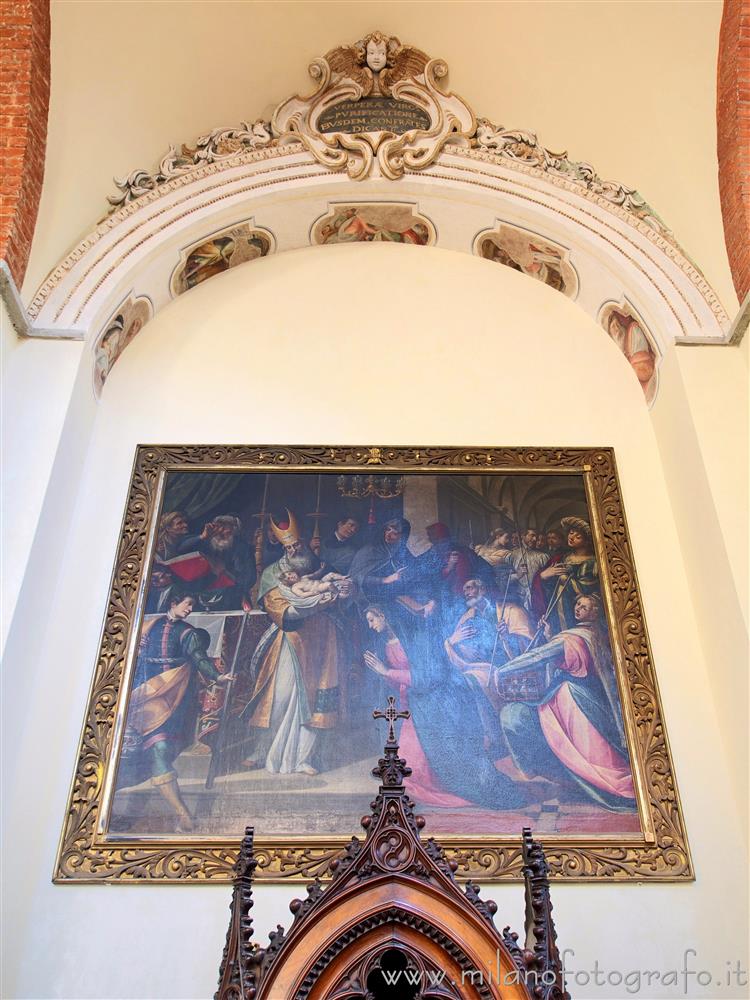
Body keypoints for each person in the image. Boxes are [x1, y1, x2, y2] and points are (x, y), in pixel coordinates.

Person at [363, 605, 530, 811]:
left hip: (438, 704)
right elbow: (397, 682)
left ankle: (473, 788)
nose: (371, 625)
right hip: (415, 707)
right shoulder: (385, 644)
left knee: (456, 760)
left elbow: (428, 676)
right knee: (409, 769)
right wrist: (385, 675)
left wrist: (387, 671)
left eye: (372, 619)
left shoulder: (417, 638)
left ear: (384, 615)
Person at [493, 594, 635, 811]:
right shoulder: (594, 636)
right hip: (585, 699)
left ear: (596, 612)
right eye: (577, 604)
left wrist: (502, 671)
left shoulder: (572, 638)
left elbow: (538, 657)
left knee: (580, 755)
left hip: (571, 702)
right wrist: (548, 636)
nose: (578, 608)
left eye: (584, 606)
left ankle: (589, 783)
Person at [240, 510, 349, 775]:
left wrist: (346, 591)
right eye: (288, 546)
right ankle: (265, 748)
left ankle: (303, 758)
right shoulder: (271, 574)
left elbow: (344, 595)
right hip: (292, 641)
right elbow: (283, 613)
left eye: (297, 545)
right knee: (280, 696)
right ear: (281, 547)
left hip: (324, 642)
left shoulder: (323, 568)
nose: (293, 550)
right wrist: (319, 603)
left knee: (316, 700)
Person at [117, 592, 234, 831]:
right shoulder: (149, 627)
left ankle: (183, 815)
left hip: (170, 697)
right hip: (142, 694)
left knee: (159, 748)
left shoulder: (187, 633)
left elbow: (200, 659)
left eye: (192, 604)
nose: (190, 608)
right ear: (173, 603)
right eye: (187, 602)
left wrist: (218, 676)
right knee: (135, 754)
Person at [170, 513, 256, 611]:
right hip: (200, 597)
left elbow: (249, 579)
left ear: (233, 530)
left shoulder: (242, 548)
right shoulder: (205, 543)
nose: (220, 531)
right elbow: (181, 549)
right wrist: (202, 537)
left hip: (231, 598)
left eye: (225, 528)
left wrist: (225, 573)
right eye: (218, 527)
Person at [537, 516, 598, 635]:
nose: (572, 537)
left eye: (578, 537)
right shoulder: (564, 557)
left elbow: (587, 589)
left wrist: (566, 580)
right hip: (556, 603)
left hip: (574, 606)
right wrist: (546, 577)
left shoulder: (591, 562)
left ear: (586, 542)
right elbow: (551, 584)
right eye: (571, 533)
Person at [607, 309, 657, 401]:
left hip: (638, 359)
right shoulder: (628, 332)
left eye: (616, 325)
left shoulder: (633, 328)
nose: (615, 329)